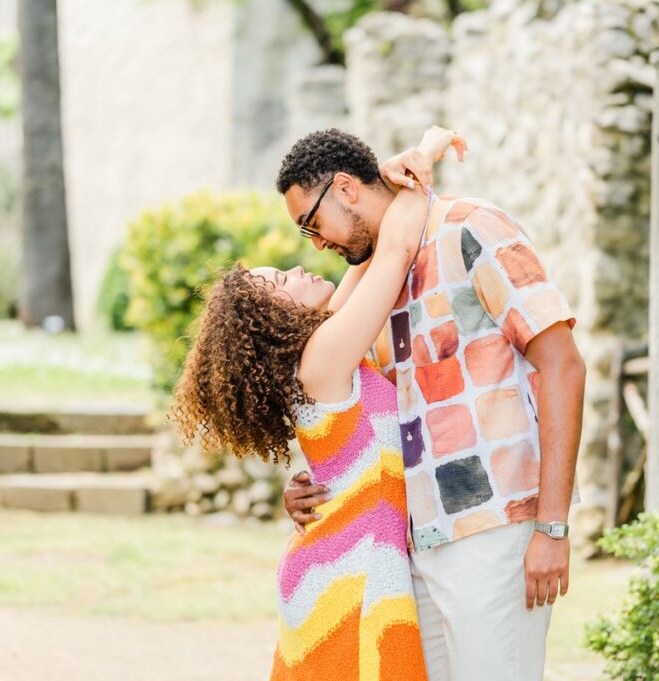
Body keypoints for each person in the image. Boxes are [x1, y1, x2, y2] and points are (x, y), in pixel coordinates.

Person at [279, 128, 586, 681]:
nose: (315, 244)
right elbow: (362, 412)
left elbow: (564, 365)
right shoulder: (376, 279)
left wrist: (553, 527)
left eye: (311, 224)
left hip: (494, 530)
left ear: (345, 188)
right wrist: (313, 477)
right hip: (414, 544)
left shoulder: (471, 227)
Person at [170, 129, 466, 681]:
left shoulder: (323, 347)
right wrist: (423, 158)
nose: (301, 267)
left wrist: (386, 177)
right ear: (274, 321)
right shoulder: (323, 362)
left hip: (349, 557)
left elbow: (368, 252)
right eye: (283, 280)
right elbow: (396, 251)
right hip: (346, 571)